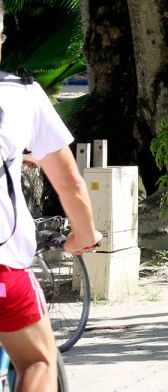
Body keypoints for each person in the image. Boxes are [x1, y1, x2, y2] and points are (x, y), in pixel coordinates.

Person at [0, 21, 102, 392]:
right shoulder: (20, 94)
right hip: (3, 267)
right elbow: (70, 182)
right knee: (39, 359)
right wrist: (84, 235)